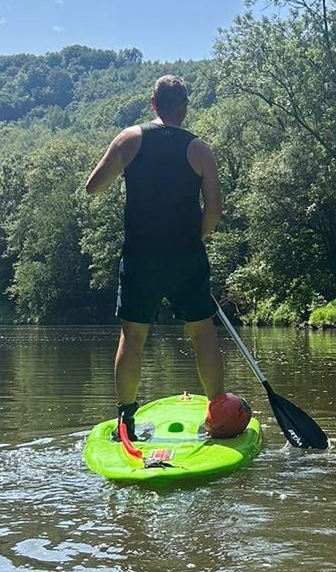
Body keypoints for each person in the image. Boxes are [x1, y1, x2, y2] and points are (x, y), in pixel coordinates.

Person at [86, 74, 225, 441]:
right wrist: (196, 237)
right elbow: (214, 210)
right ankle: (218, 415)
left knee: (132, 337)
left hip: (140, 256)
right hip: (186, 255)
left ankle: (126, 422)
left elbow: (93, 187)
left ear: (153, 105)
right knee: (203, 333)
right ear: (185, 107)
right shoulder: (200, 149)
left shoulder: (131, 139)